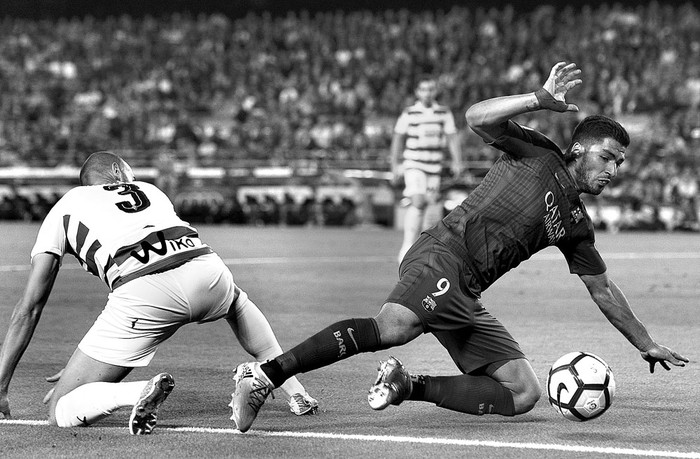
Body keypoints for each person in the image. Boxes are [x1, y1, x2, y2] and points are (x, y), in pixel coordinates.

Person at [229, 62, 688, 433]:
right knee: (394, 328)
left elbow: (603, 290)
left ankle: (407, 384)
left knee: (522, 393)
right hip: (444, 252)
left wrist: (645, 343)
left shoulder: (576, 226)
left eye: (619, 163)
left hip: (465, 290)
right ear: (579, 150)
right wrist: (537, 100)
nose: (612, 170)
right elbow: (475, 118)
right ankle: (266, 376)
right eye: (607, 157)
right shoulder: (539, 154)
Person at [0, 151, 317, 435]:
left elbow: (30, 307)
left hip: (144, 292)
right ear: (116, 170)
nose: (133, 176)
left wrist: (1, 387)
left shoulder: (67, 204)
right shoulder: (151, 191)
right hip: (207, 269)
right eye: (129, 170)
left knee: (60, 410)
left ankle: (138, 393)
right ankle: (297, 393)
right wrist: (82, 363)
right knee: (236, 301)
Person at [390, 75, 464, 263]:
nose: (427, 93)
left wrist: (457, 161)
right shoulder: (409, 113)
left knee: (427, 204)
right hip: (414, 163)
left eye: (430, 89)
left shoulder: (443, 113)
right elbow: (398, 138)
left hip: (434, 166)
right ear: (417, 92)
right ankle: (406, 248)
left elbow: (452, 137)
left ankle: (422, 248)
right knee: (418, 201)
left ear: (435, 91)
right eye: (423, 89)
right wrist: (395, 165)